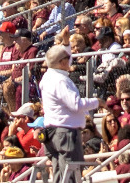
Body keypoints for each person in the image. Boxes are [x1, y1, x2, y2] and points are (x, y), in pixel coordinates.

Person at [37, 45, 99, 183]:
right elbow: (76, 104)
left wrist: (66, 44)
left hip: (52, 133)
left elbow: (59, 59)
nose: (71, 61)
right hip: (65, 132)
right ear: (63, 62)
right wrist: (97, 102)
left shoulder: (48, 77)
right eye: (68, 58)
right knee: (70, 174)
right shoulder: (61, 81)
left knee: (60, 174)